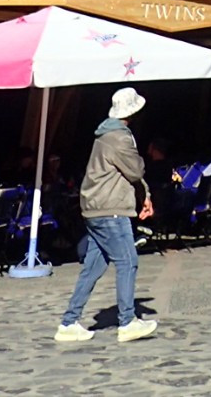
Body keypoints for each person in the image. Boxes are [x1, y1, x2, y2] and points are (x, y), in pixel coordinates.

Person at [55, 87, 157, 344]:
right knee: (127, 261)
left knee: (93, 266)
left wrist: (144, 194)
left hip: (95, 207)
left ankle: (69, 322)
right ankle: (127, 322)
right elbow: (135, 170)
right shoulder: (119, 138)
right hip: (111, 209)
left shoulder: (104, 135)